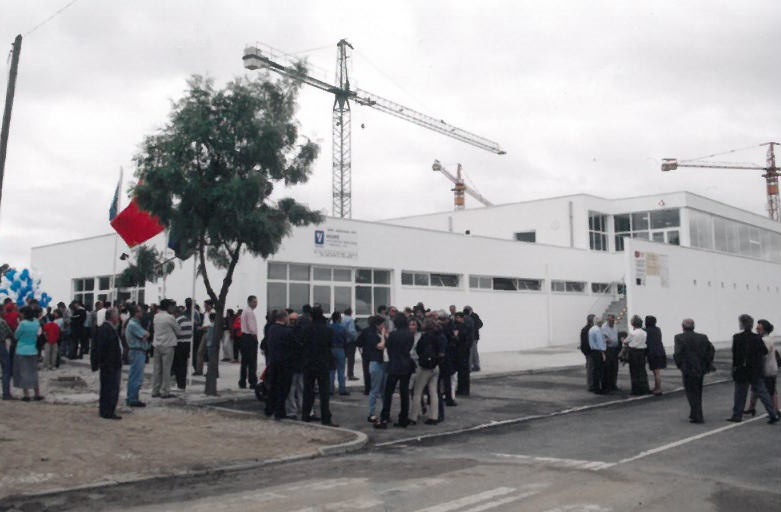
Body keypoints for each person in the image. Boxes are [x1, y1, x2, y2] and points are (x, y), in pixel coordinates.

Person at [728, 314, 779, 423]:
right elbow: (764, 351)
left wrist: (734, 368)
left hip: (742, 370)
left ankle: (737, 415)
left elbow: (735, 355)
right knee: (763, 393)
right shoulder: (757, 337)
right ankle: (773, 414)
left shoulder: (737, 337)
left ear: (742, 324)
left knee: (740, 394)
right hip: (755, 370)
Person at [300, 306, 338, 426]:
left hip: (309, 363)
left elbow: (302, 344)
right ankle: (326, 418)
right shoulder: (328, 330)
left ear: (311, 316)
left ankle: (305, 415)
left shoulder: (306, 329)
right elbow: (330, 345)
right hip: (323, 363)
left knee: (308, 390)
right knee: (324, 392)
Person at [376, 314, 414, 428]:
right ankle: (403, 418)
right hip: (406, 364)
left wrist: (385, 336)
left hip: (394, 364)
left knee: (388, 392)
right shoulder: (410, 334)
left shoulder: (393, 334)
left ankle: (385, 416)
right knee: (404, 392)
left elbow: (388, 346)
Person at [673, 318, 715, 424]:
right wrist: (707, 363)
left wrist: (680, 365)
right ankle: (695, 413)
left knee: (690, 392)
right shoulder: (702, 337)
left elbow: (678, 353)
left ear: (683, 327)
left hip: (687, 367)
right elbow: (711, 350)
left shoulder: (679, 337)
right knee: (698, 391)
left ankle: (697, 415)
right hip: (700, 367)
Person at [410, 318, 444, 425]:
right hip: (435, 366)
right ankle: (434, 416)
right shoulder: (438, 336)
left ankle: (413, 417)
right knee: (433, 392)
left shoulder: (424, 337)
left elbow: (418, 349)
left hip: (424, 367)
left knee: (417, 392)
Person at [745, 319, 779, 417]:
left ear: (764, 329)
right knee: (756, 388)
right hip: (769, 368)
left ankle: (775, 410)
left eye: (759, 327)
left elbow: (763, 353)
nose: (756, 328)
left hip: (767, 369)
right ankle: (752, 408)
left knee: (770, 390)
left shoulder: (765, 340)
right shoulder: (767, 339)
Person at [95, 308, 123, 419]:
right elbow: (106, 349)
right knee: (111, 388)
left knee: (107, 388)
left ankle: (105, 410)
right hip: (110, 365)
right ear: (113, 317)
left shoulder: (106, 328)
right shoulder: (107, 329)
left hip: (108, 364)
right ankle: (108, 411)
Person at [265, 309, 292, 420]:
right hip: (284, 363)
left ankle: (269, 409)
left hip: (273, 361)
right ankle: (279, 411)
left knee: (273, 387)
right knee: (283, 388)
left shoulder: (271, 329)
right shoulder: (287, 331)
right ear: (284, 318)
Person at [358, 315, 387, 423]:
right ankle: (372, 413)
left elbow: (359, 342)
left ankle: (380, 412)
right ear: (377, 325)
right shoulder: (373, 334)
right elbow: (381, 346)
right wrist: (383, 336)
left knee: (380, 389)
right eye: (382, 324)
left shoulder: (366, 332)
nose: (384, 326)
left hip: (374, 361)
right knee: (376, 389)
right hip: (377, 361)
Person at [151, 299, 181, 399]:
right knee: (166, 370)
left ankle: (155, 390)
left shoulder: (156, 316)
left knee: (157, 369)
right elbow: (178, 331)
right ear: (168, 307)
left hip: (157, 345)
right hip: (168, 345)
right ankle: (165, 391)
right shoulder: (170, 317)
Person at [13, 307, 43, 401]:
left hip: (21, 350)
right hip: (33, 350)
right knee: (33, 372)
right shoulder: (36, 322)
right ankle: (37, 393)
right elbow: (38, 334)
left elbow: (16, 335)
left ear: (24, 314)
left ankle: (26, 395)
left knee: (23, 373)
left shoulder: (22, 324)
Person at [126, 305, 150, 407]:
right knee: (137, 376)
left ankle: (131, 397)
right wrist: (146, 334)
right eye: (140, 311)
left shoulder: (135, 323)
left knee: (134, 375)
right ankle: (133, 398)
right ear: (136, 313)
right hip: (137, 351)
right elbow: (145, 334)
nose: (142, 313)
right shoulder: (133, 325)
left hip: (137, 351)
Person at [624, 315, 650, 395]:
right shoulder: (644, 332)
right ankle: (644, 388)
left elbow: (625, 341)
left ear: (633, 324)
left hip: (633, 352)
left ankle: (636, 389)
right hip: (642, 352)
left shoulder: (632, 333)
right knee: (642, 370)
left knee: (634, 371)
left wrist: (623, 340)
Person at [285, 312, 304, 419]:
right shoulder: (302, 332)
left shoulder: (287, 332)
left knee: (291, 389)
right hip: (300, 365)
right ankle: (302, 407)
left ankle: (292, 410)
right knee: (301, 388)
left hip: (291, 365)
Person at [239, 296, 259, 389]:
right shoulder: (250, 312)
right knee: (252, 362)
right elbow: (252, 327)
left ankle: (242, 381)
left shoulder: (244, 311)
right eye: (254, 302)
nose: (256, 304)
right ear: (249, 302)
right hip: (250, 337)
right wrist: (255, 336)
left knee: (244, 362)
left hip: (244, 337)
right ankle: (252, 381)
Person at [172, 306, 193, 390]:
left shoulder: (177, 321)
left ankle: (180, 384)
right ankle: (182, 384)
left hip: (179, 344)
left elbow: (175, 333)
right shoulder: (188, 320)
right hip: (187, 344)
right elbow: (191, 333)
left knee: (178, 365)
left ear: (176, 313)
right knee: (184, 365)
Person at [645, 315, 666, 395]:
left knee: (656, 372)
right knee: (656, 371)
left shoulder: (646, 331)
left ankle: (658, 389)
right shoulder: (657, 329)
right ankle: (656, 387)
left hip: (652, 352)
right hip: (660, 350)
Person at [329, 311, 349, 396]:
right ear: (338, 319)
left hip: (330, 350)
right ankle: (342, 389)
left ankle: (330, 389)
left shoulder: (329, 327)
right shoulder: (342, 328)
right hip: (340, 349)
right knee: (341, 370)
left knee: (331, 371)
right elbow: (345, 341)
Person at [453, 312, 473, 397]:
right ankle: (462, 389)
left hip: (463, 351)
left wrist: (457, 337)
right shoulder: (458, 326)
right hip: (461, 351)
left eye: (458, 318)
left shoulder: (464, 327)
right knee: (461, 372)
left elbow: (466, 339)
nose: (456, 319)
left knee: (463, 371)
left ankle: (464, 390)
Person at [587, 316, 607, 394]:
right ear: (599, 322)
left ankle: (596, 387)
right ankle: (599, 388)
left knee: (595, 370)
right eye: (601, 322)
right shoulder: (598, 330)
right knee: (600, 370)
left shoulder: (591, 329)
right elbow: (600, 343)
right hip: (598, 351)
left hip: (593, 351)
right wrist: (603, 352)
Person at [601, 314, 620, 392]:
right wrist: (607, 340)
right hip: (608, 349)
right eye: (610, 321)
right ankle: (607, 386)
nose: (612, 322)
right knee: (608, 368)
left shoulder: (615, 326)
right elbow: (603, 339)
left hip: (615, 349)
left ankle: (613, 384)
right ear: (607, 320)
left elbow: (616, 336)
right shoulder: (603, 327)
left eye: (613, 320)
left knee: (615, 368)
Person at [464, 306, 483, 372]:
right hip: (472, 337)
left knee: (472, 352)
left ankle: (475, 365)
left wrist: (474, 328)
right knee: (473, 352)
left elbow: (480, 324)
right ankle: (475, 365)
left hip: (474, 337)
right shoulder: (467, 316)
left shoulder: (474, 316)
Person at [0, 313, 14, 400]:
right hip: (1, 345)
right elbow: (10, 334)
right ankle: (6, 394)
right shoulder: (2, 322)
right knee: (6, 369)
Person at [342, 308, 359, 381]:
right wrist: (355, 337)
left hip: (343, 341)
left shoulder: (342, 319)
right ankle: (350, 374)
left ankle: (342, 374)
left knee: (342, 359)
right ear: (351, 313)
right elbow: (351, 331)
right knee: (351, 359)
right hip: (350, 342)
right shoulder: (350, 320)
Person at [580, 314, 595, 391]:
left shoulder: (587, 329)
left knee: (592, 369)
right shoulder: (586, 330)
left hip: (590, 351)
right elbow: (585, 343)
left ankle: (592, 384)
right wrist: (587, 352)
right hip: (590, 352)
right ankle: (591, 385)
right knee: (590, 369)